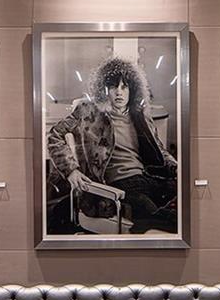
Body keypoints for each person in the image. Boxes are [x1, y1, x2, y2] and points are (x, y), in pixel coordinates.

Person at [46, 55, 178, 234]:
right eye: (113, 86)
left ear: (133, 90)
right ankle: (156, 222)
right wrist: (71, 170)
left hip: (147, 178)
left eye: (124, 87)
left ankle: (159, 221)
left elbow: (160, 151)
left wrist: (176, 167)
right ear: (104, 89)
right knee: (148, 208)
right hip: (117, 183)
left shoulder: (140, 116)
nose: (119, 92)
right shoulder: (88, 111)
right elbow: (54, 135)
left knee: (183, 196)